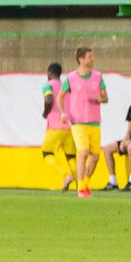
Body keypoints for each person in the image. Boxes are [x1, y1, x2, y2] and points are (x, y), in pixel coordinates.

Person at [57, 47, 107, 199]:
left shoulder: (98, 77)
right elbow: (60, 97)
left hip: (95, 122)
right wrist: (62, 112)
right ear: (81, 59)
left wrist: (101, 99)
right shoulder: (71, 78)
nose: (92, 59)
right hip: (77, 122)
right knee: (83, 152)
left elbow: (105, 97)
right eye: (90, 56)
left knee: (95, 157)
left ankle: (85, 185)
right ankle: (80, 188)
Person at [40, 62, 77, 192]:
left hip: (55, 127)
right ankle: (81, 186)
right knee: (71, 157)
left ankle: (66, 175)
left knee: (47, 153)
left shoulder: (48, 85)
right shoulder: (67, 87)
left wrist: (46, 112)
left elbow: (49, 99)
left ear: (49, 73)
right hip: (69, 126)